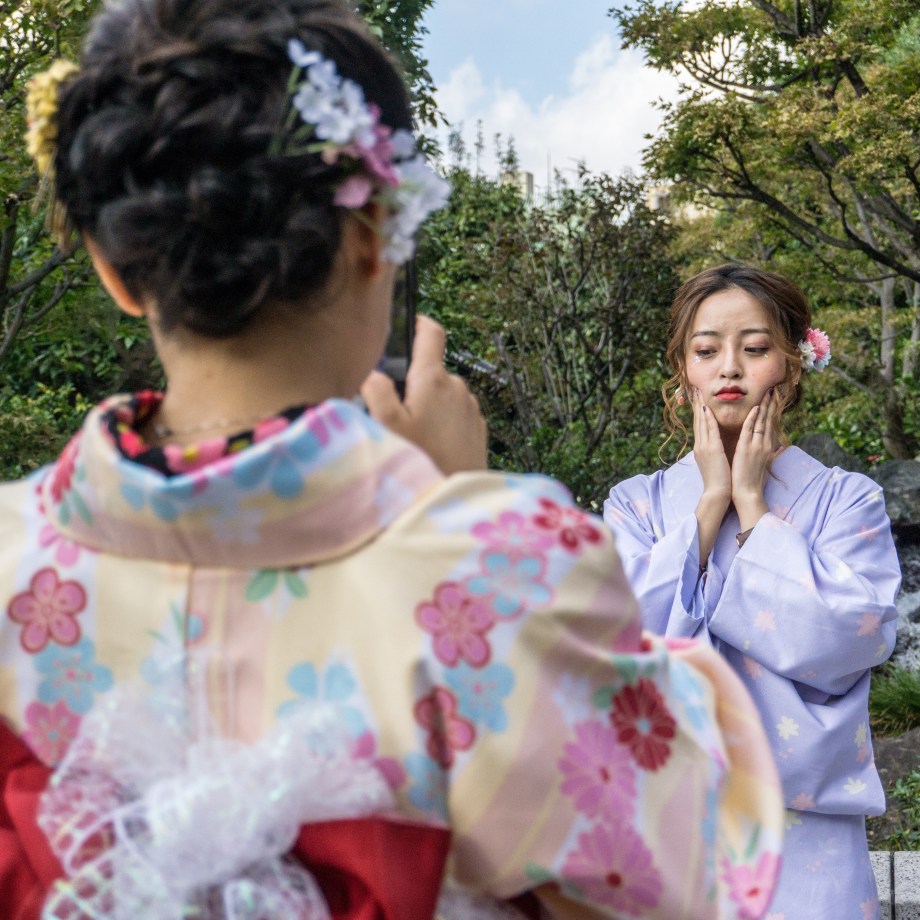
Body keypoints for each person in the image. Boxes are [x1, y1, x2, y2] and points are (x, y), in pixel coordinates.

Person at [1, 3, 785, 917]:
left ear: (114, 267)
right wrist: (457, 506)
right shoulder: (504, 568)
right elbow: (679, 870)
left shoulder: (13, 559)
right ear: (374, 230)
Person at [603, 264, 901, 920]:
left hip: (809, 833)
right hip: (666, 828)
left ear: (792, 366)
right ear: (683, 370)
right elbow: (616, 645)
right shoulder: (635, 505)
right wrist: (712, 502)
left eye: (756, 347)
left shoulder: (848, 500)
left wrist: (752, 505)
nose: (730, 369)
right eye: (707, 350)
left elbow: (855, 635)